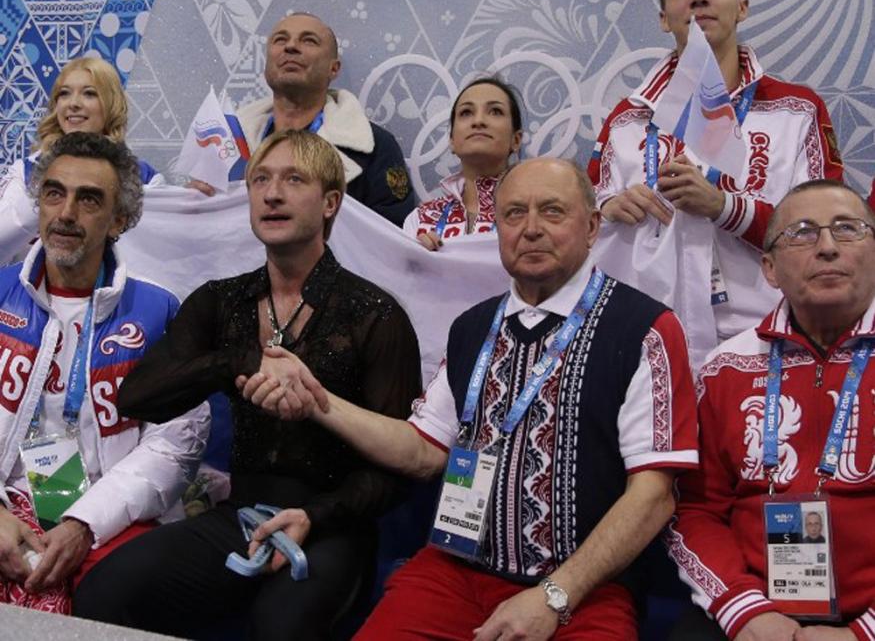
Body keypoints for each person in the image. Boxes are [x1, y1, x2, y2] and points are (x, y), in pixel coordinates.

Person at [240, 157, 699, 639]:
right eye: (514, 213)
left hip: (583, 590)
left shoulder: (646, 329)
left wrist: (554, 594)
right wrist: (319, 402)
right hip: (455, 571)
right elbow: (422, 450)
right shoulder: (472, 327)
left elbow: (653, 496)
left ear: (591, 227)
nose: (532, 229)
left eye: (553, 211)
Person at [72, 130, 422, 640]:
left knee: (279, 626)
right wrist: (237, 361)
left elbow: (399, 470)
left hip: (333, 527)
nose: (272, 194)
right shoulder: (221, 301)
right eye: (261, 180)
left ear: (330, 202)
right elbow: (138, 397)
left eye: (293, 180)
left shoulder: (375, 313)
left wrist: (315, 515)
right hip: (239, 517)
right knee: (102, 592)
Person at [588, 0, 843, 352]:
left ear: (741, 8)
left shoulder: (796, 110)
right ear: (664, 18)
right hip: (647, 339)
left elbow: (827, 228)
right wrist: (609, 210)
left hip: (764, 337)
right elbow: (579, 227)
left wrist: (724, 208)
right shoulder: (626, 119)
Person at [0, 132, 207, 613]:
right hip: (7, 502)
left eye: (89, 199)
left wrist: (85, 522)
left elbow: (177, 444)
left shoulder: (158, 311)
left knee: (119, 592)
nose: (66, 213)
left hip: (108, 509)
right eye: (54, 193)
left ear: (120, 219)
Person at [667, 179, 875, 640]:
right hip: (755, 611)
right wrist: (743, 610)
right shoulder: (724, 368)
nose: (827, 247)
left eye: (848, 229)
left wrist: (863, 633)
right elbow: (695, 510)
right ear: (770, 268)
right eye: (801, 233)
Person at [191, 12, 415, 227]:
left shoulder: (375, 146)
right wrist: (196, 205)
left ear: (333, 68)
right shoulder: (228, 142)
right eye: (280, 40)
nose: (290, 46)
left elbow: (389, 239)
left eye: (309, 41)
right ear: (267, 63)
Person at [0, 57, 161, 266]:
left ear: (111, 103)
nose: (73, 103)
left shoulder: (144, 179)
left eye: (89, 93)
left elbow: (159, 257)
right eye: (64, 93)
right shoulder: (26, 172)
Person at [403, 76, 523, 250]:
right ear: (452, 141)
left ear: (516, 140)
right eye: (466, 112)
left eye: (495, 111)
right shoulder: (421, 220)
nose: (478, 121)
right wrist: (416, 260)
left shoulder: (534, 216)